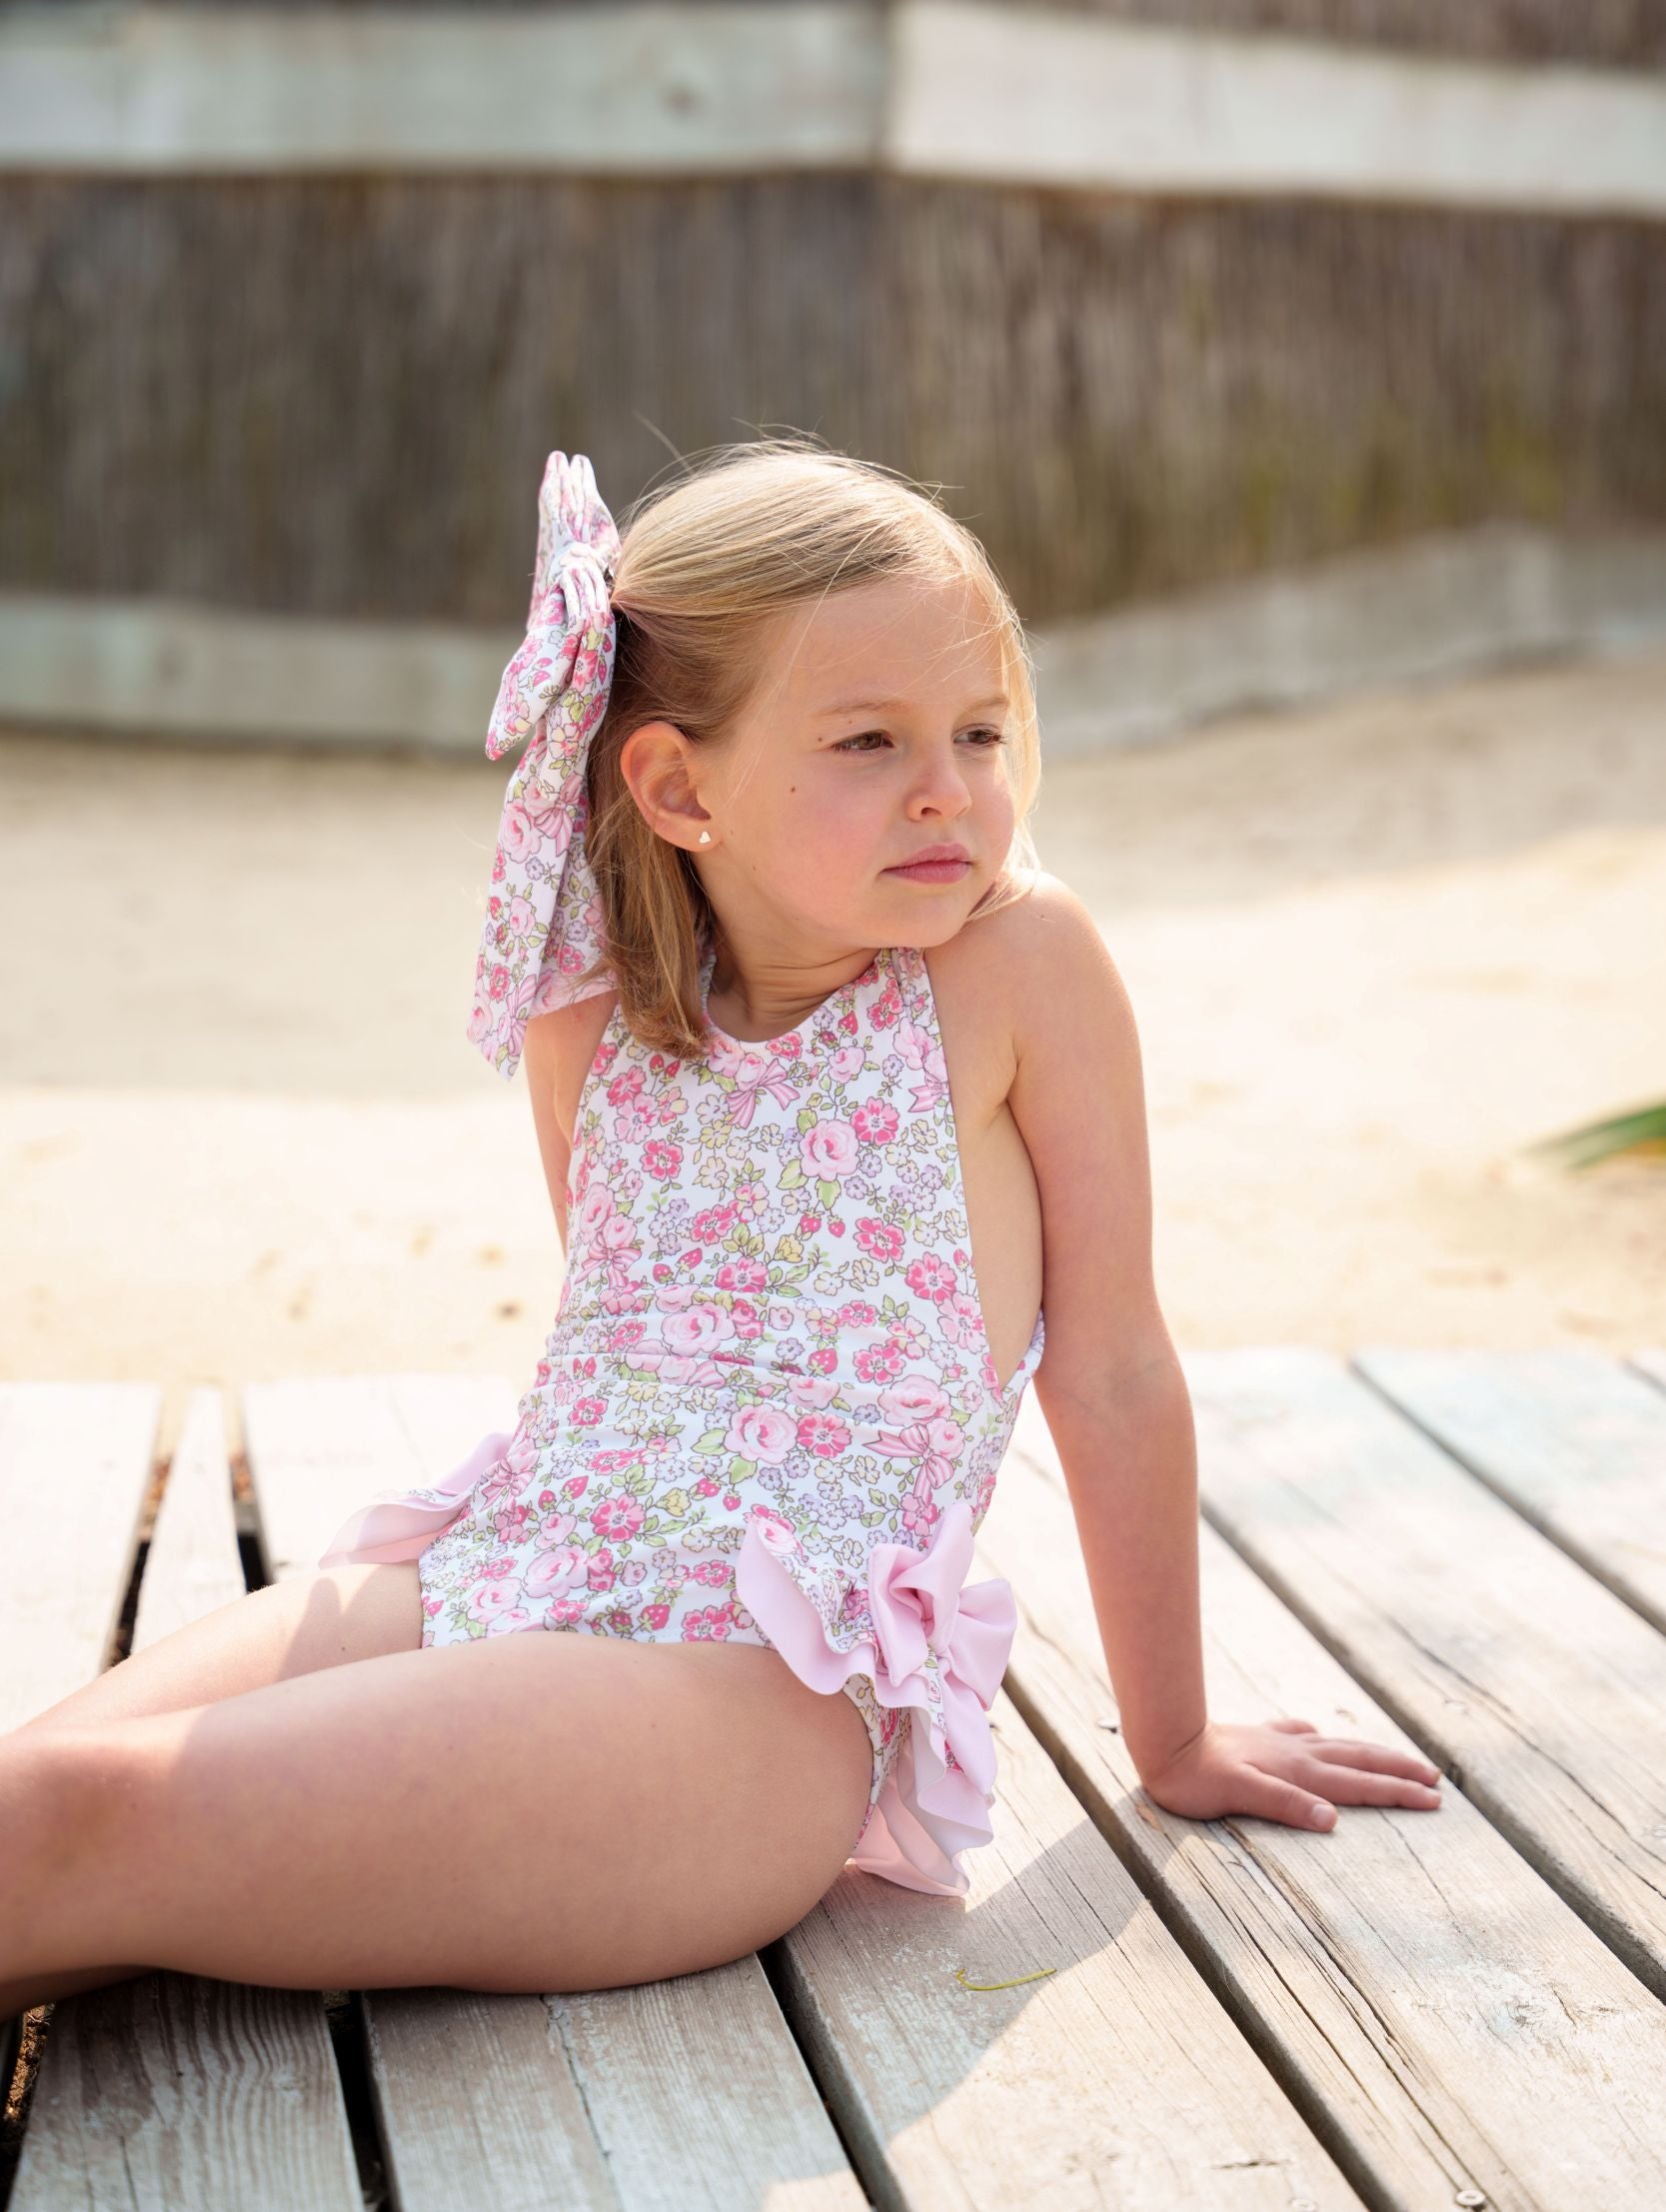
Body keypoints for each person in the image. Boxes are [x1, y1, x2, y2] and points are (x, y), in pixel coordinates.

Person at [1, 438, 1440, 2015]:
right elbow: (626, 1391)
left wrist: (1177, 1738)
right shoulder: (592, 1014)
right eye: (869, 741)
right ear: (682, 788)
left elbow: (1108, 1368)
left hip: (742, 1699)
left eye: (978, 731)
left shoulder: (1012, 969)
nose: (947, 789)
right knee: (32, 1804)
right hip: (504, 1572)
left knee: (76, 1824)